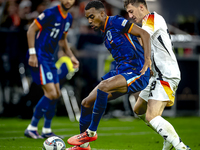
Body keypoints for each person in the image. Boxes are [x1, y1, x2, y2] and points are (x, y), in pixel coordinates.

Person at [66, 1, 151, 150]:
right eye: (87, 18)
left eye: (92, 17)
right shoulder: (105, 35)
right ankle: (83, 146)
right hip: (122, 72)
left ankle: (91, 132)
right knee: (86, 103)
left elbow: (144, 34)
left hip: (137, 71)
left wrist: (147, 60)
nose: (90, 21)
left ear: (102, 14)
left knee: (104, 87)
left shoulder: (116, 22)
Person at [124, 0, 191, 150]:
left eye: (131, 11)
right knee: (138, 109)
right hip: (157, 75)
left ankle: (181, 147)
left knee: (151, 116)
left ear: (141, 7)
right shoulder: (148, 23)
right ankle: (168, 137)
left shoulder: (152, 18)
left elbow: (143, 37)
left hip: (166, 74)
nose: (130, 15)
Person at [24, 0, 79, 139]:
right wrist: (32, 53)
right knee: (51, 93)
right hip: (39, 56)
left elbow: (62, 40)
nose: (68, 1)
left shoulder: (69, 17)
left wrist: (71, 56)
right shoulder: (50, 13)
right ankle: (31, 127)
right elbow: (31, 30)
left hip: (50, 59)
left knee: (56, 94)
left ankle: (47, 129)